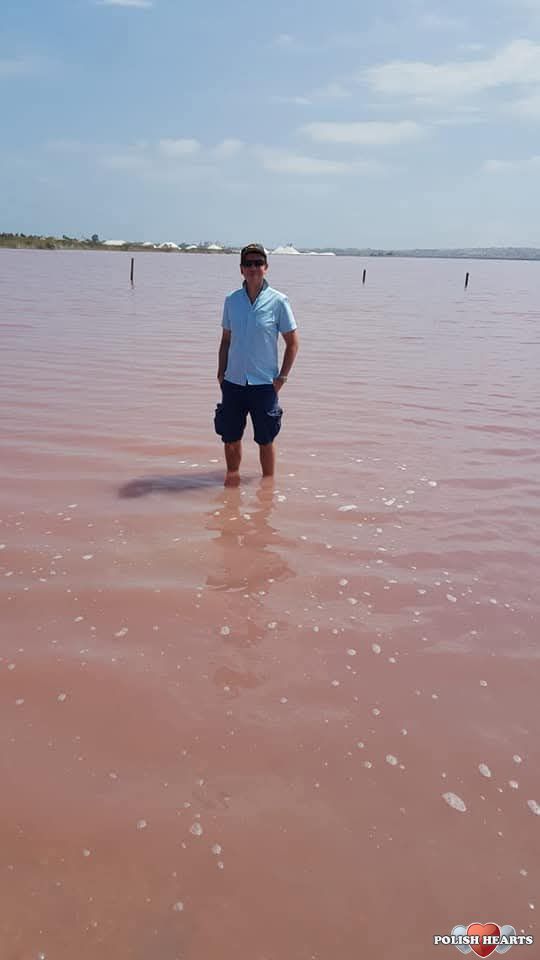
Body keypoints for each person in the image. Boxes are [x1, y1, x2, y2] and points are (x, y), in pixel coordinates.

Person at [215, 243, 299, 486]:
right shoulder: (231, 301)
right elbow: (225, 340)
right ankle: (232, 482)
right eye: (248, 264)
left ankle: (268, 487)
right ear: (241, 269)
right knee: (230, 437)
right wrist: (221, 373)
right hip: (233, 382)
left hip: (264, 384)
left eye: (258, 263)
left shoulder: (279, 301)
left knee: (266, 439)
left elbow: (293, 343)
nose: (253, 268)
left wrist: (282, 378)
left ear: (266, 267)